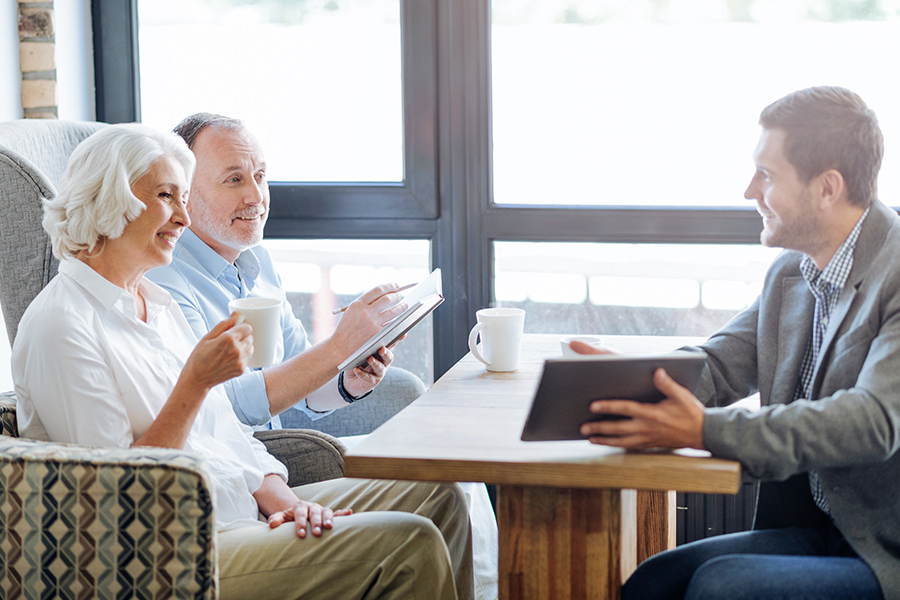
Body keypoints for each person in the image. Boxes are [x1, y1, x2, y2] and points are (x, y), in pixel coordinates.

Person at [12, 123, 474, 600]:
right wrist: (194, 384)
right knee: (407, 543)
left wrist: (289, 503)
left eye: (183, 197)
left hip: (241, 510)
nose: (183, 219)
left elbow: (227, 431)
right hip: (177, 551)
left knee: (438, 497)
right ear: (111, 199)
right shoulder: (61, 326)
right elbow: (123, 501)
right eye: (167, 197)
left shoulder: (153, 301)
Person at [148, 113, 499, 600]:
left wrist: (346, 377)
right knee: (441, 478)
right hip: (252, 457)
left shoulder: (256, 260)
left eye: (261, 175)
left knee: (447, 452)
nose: (256, 196)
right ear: (184, 193)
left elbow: (297, 373)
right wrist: (335, 347)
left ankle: (487, 591)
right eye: (234, 180)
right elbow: (221, 405)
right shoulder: (164, 277)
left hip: (275, 437)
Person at [572, 86, 898, 600]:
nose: (749, 191)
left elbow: (872, 421)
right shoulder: (792, 273)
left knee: (721, 587)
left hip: (884, 550)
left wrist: (705, 428)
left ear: (827, 188)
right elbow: (721, 366)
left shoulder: (896, 272)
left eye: (766, 175)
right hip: (819, 532)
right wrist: (630, 383)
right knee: (654, 582)